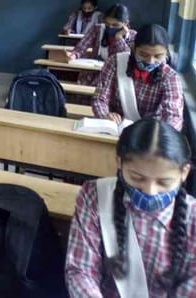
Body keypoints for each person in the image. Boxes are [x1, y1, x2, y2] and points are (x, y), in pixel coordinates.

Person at [65, 118, 196, 297]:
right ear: (119, 163)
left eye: (163, 182)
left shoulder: (192, 218)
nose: (150, 192)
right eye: (137, 178)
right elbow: (81, 271)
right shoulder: (95, 196)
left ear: (184, 172)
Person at [93, 24, 184, 131]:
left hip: (149, 132)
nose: (150, 61)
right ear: (133, 48)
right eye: (144, 55)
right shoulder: (115, 63)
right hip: (116, 127)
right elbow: (100, 98)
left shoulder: (170, 77)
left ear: (166, 53)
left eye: (158, 56)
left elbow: (174, 116)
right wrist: (105, 115)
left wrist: (162, 134)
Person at [66, 3, 136, 85]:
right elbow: (82, 46)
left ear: (125, 23)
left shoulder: (133, 36)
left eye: (115, 25)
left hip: (117, 78)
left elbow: (127, 58)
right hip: (95, 74)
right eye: (107, 24)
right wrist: (74, 55)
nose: (110, 27)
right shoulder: (98, 29)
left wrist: (119, 38)